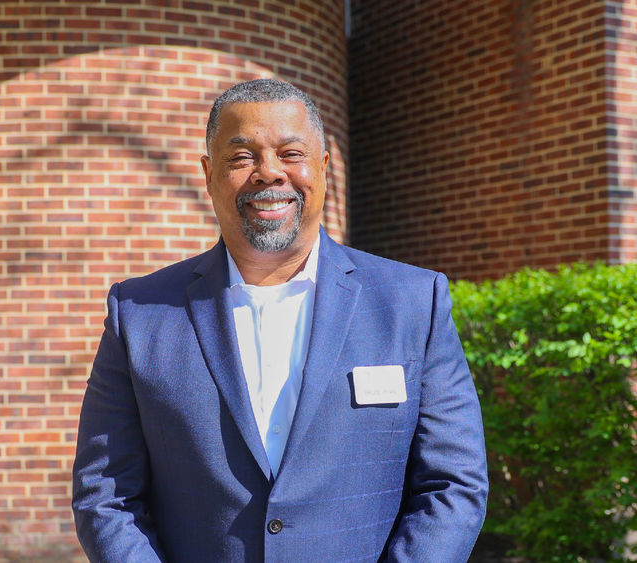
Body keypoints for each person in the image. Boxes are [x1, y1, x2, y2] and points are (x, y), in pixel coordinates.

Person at [72, 78, 488, 562]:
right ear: (208, 174)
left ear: (324, 168)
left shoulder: (413, 303)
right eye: (241, 157)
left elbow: (453, 484)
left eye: (291, 153)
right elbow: (106, 496)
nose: (269, 173)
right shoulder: (139, 313)